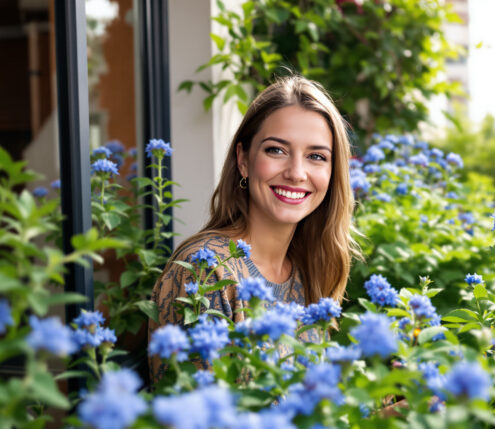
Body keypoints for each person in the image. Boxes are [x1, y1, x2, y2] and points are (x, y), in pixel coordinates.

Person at [148, 75, 359, 381]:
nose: (296, 173)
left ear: (332, 171)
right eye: (276, 150)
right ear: (243, 160)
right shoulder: (206, 271)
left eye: (316, 156)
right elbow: (191, 404)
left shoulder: (306, 269)